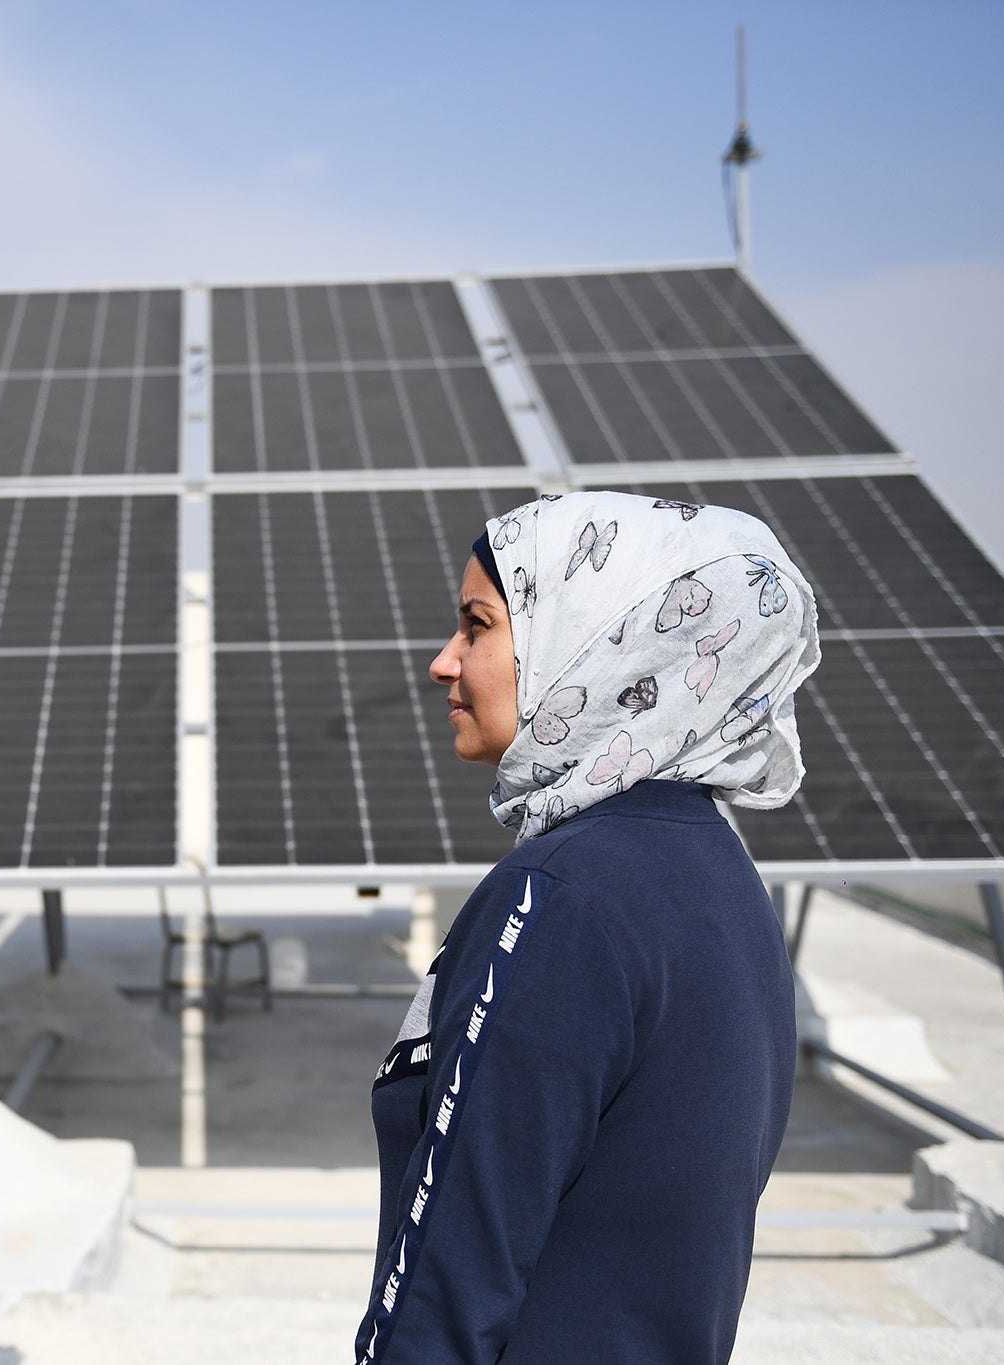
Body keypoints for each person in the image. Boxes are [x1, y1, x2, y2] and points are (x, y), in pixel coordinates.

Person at [355, 490, 821, 1364]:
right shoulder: (721, 880)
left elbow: (455, 1265)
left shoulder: (562, 896)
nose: (443, 662)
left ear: (598, 643)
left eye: (479, 625)